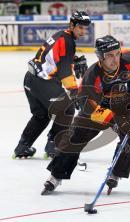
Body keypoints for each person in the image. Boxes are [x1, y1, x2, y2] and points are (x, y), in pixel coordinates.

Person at [41, 35, 130, 195]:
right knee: (73, 137)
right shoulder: (92, 75)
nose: (115, 59)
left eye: (117, 53)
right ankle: (56, 175)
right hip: (98, 108)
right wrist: (114, 120)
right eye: (110, 55)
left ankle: (116, 173)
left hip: (127, 105)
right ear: (100, 57)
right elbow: (88, 107)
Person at [13, 11, 91, 159]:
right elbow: (65, 72)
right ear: (72, 25)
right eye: (80, 27)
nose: (83, 31)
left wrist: (75, 59)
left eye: (85, 28)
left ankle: (22, 146)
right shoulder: (67, 41)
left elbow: (58, 56)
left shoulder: (61, 36)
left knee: (41, 115)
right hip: (43, 83)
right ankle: (54, 146)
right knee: (67, 110)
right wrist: (75, 92)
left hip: (30, 79)